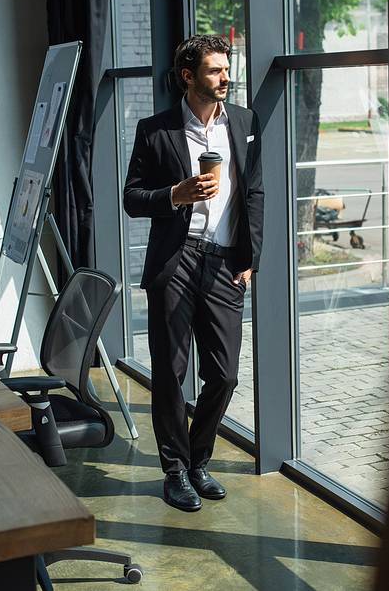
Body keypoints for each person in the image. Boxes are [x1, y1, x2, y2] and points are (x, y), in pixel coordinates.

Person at [124, 35, 264, 511]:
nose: (226, 78)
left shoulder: (244, 121)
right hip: (176, 259)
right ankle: (175, 469)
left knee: (223, 375)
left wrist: (250, 258)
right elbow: (131, 198)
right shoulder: (155, 129)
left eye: (226, 69)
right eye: (215, 70)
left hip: (225, 261)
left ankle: (200, 457)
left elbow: (255, 193)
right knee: (170, 370)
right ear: (188, 76)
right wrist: (175, 195)